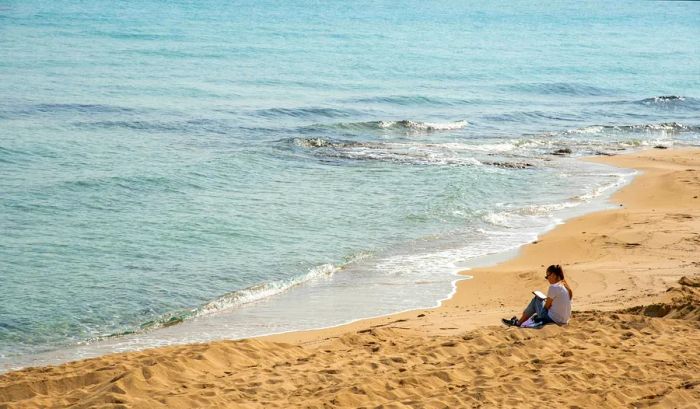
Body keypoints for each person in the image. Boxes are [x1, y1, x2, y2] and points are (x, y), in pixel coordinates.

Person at [502, 264, 572, 327]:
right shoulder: (564, 286)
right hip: (564, 320)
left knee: (536, 299)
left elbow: (546, 307)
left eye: (547, 276)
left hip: (554, 320)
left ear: (553, 275)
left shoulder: (553, 287)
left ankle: (518, 323)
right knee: (540, 301)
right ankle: (521, 321)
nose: (547, 278)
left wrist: (544, 302)